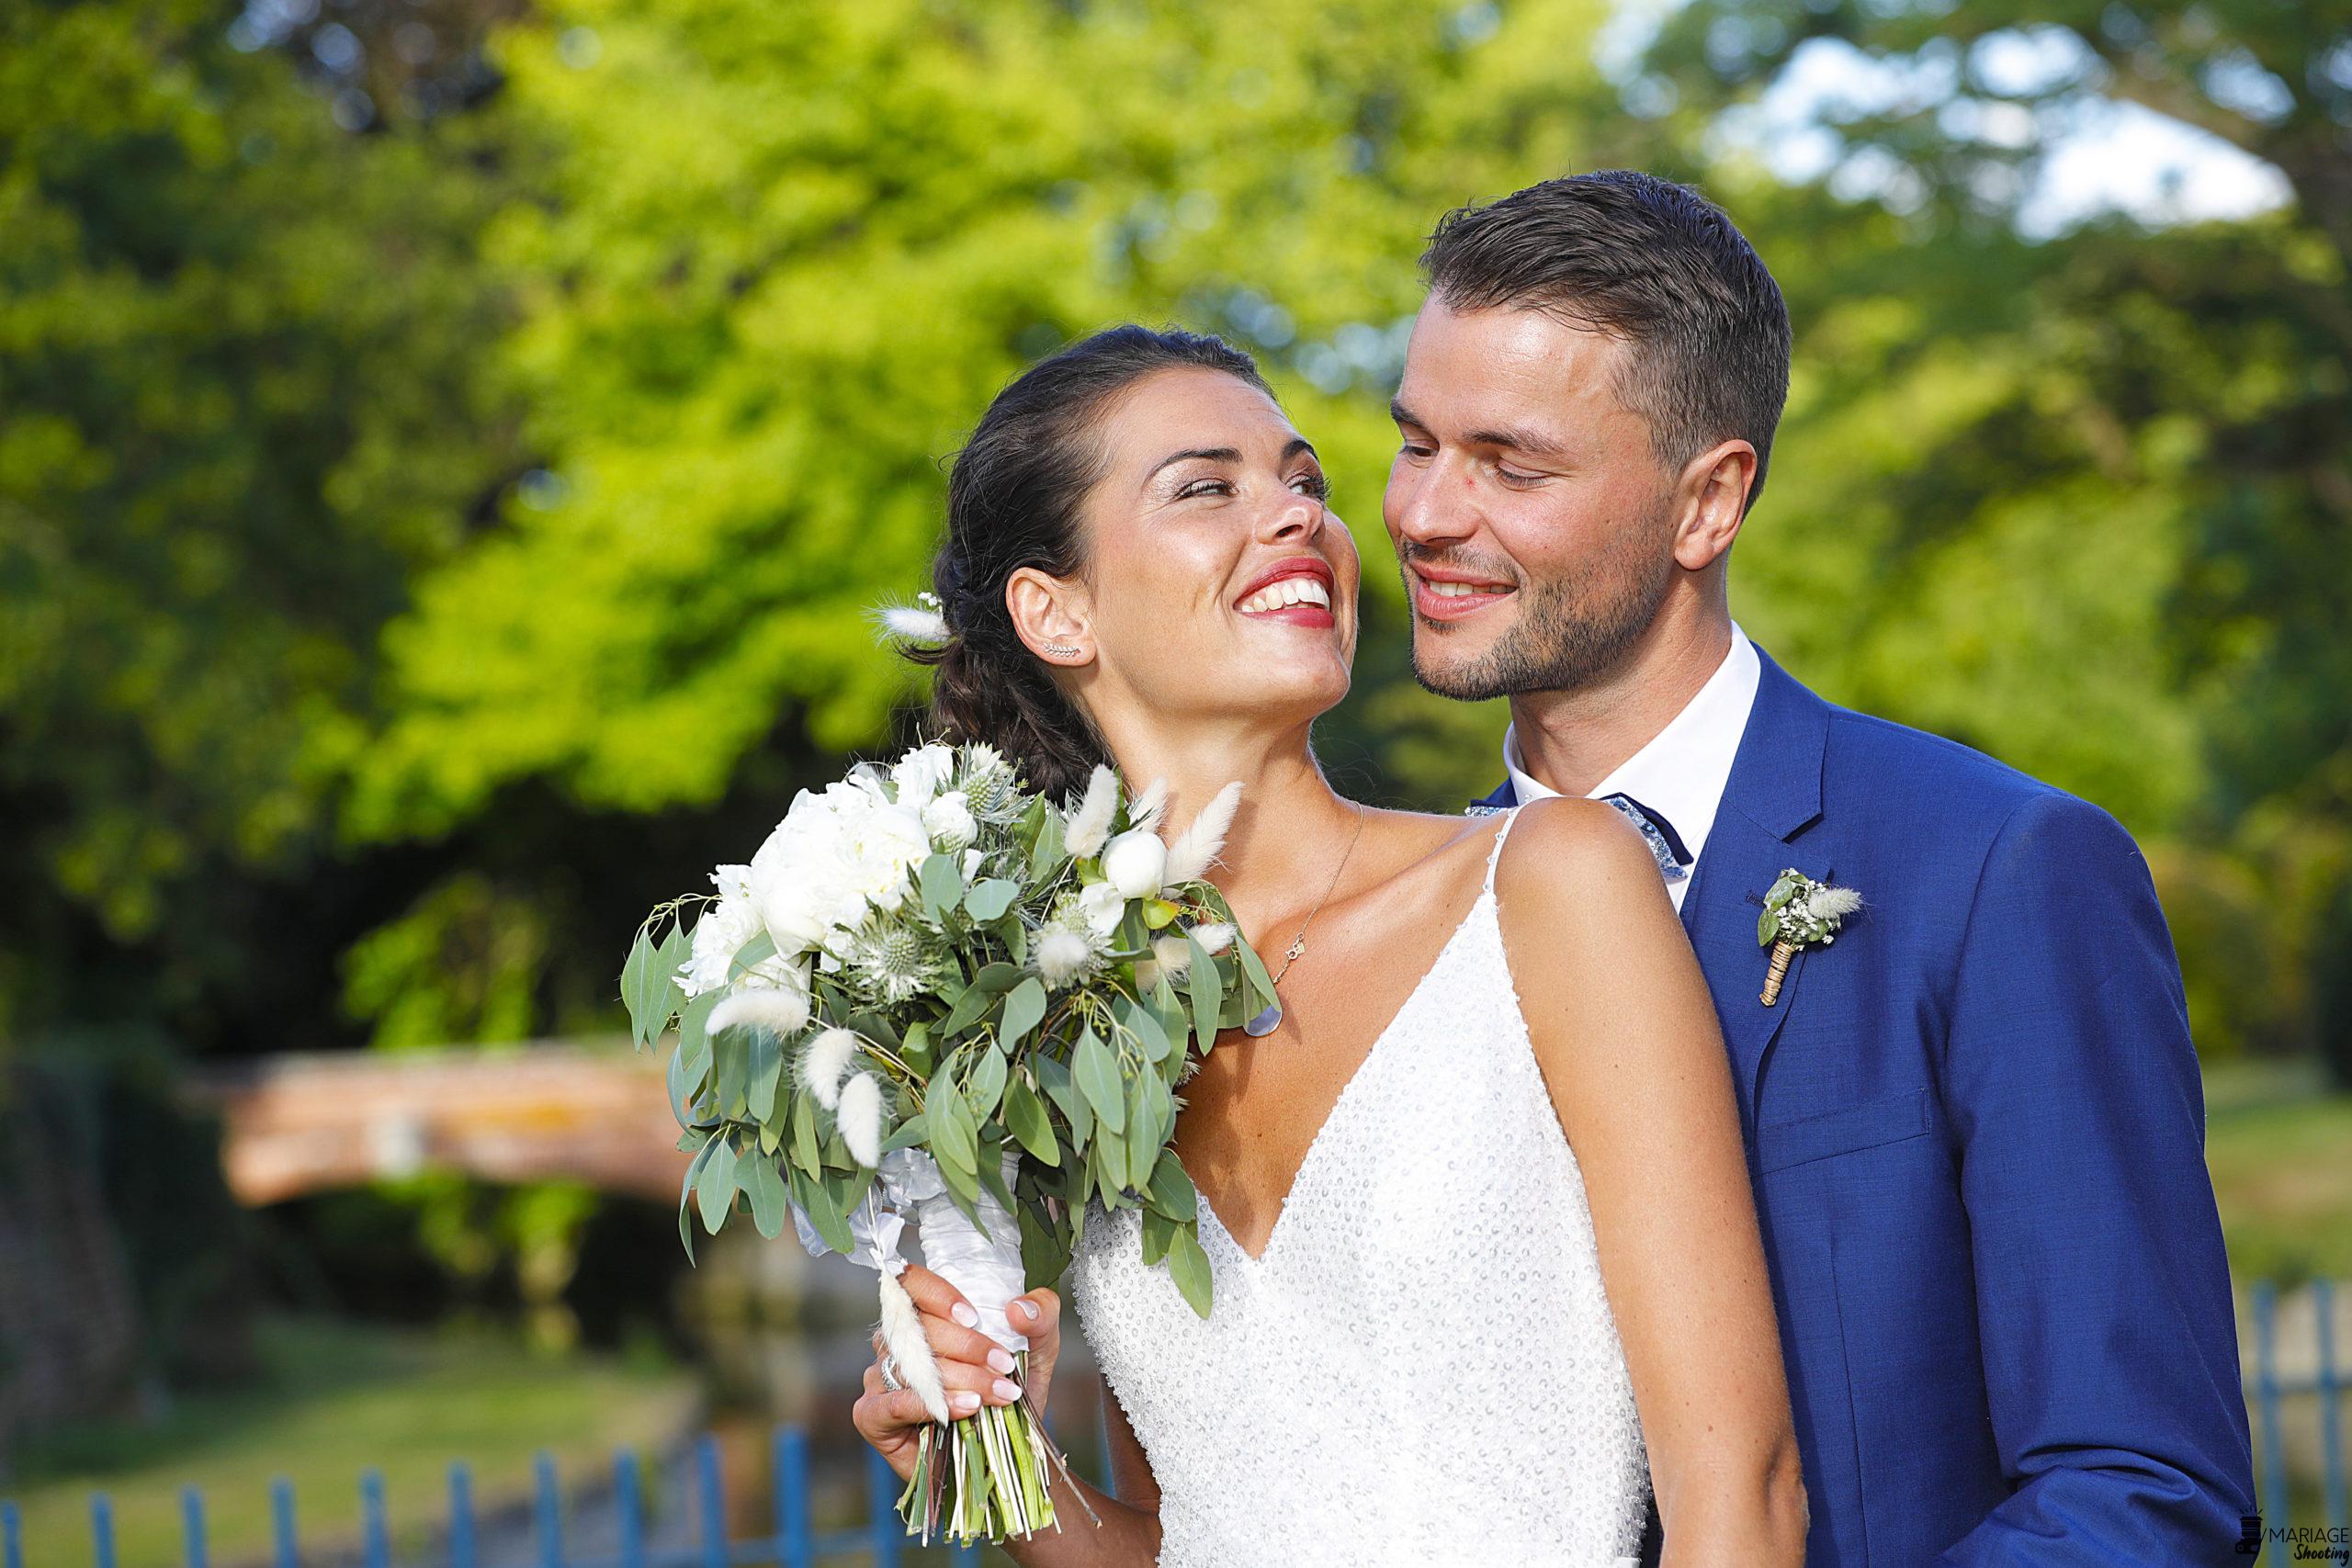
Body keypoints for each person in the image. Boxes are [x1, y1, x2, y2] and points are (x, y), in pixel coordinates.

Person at [1391, 171, 2255, 1564]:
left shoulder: (1995, 872)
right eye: (1416, 442)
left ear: (1707, 502)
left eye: (1511, 464)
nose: (1427, 514)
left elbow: (2139, 1488)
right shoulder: (1403, 920)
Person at [851, 323, 1809, 1565]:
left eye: (1306, 483)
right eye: (1209, 488)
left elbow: (1743, 1490)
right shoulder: (1059, 1036)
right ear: (1057, 610)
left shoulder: (1551, 884)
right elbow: (1198, 1536)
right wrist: (1002, 1469)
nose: (1300, 516)